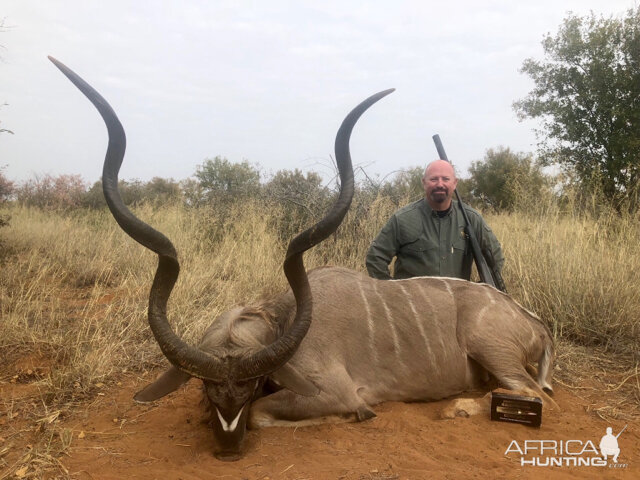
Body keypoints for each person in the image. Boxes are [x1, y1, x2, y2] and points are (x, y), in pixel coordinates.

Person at [366, 159, 504, 281]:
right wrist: (393, 294)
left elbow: (495, 259)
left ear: (455, 183)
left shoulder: (472, 219)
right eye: (433, 179)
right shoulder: (402, 219)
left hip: (457, 306)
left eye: (445, 179)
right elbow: (375, 258)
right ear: (424, 183)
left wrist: (479, 292)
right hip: (413, 306)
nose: (440, 184)